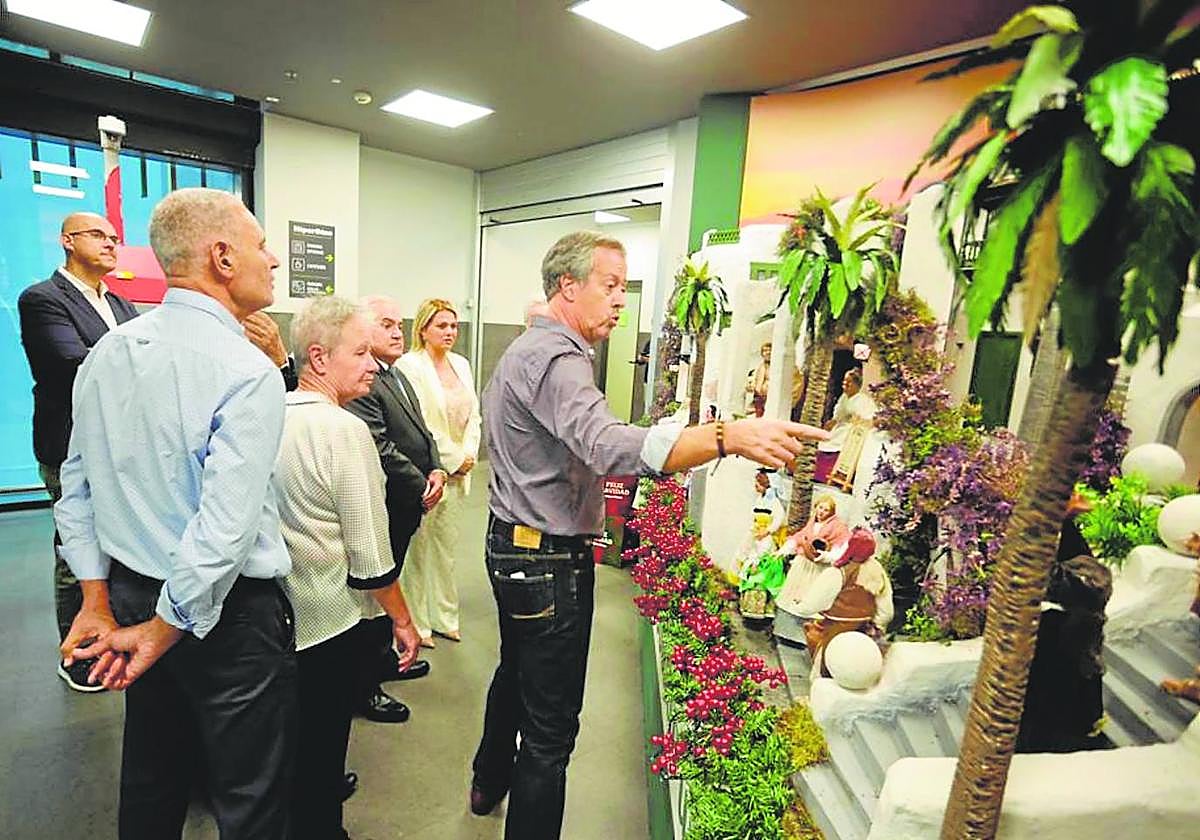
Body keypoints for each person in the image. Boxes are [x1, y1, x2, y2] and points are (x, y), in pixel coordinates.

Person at [469, 230, 828, 839]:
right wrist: (726, 437)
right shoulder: (559, 360)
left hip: (512, 545)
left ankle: (487, 780)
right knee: (551, 734)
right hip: (548, 563)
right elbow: (608, 447)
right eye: (609, 285)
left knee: (516, 670)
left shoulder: (528, 351)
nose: (618, 300)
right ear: (567, 286)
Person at [55, 188, 296, 838]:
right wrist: (166, 630)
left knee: (153, 776)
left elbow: (76, 485)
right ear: (222, 257)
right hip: (228, 618)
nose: (272, 260)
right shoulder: (247, 371)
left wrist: (96, 599)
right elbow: (223, 533)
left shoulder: (108, 352)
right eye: (260, 245)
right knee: (250, 797)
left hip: (132, 595)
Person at [275, 295, 421, 839]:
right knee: (322, 743)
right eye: (359, 352)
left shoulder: (269, 415)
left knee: (288, 742)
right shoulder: (344, 431)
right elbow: (368, 550)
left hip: (278, 617)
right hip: (329, 616)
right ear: (318, 357)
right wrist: (402, 619)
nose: (373, 364)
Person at [17, 211, 139, 692]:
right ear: (68, 240)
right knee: (76, 550)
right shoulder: (43, 299)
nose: (111, 244)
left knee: (115, 546)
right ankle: (78, 653)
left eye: (114, 238)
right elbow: (71, 364)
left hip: (118, 443)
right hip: (68, 443)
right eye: (98, 235)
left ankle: (113, 632)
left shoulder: (122, 305)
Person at [345, 295, 443, 722]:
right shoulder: (365, 384)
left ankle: (387, 658)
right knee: (375, 591)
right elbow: (380, 445)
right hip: (386, 503)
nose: (397, 331)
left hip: (407, 502)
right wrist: (422, 482)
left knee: (393, 581)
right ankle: (365, 688)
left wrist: (436, 465)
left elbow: (422, 431)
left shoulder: (397, 375)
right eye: (386, 325)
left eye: (399, 324)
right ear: (363, 332)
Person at [397, 298, 481, 646]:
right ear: (423, 329)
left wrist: (470, 454)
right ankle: (418, 622)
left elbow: (473, 414)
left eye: (453, 326)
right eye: (442, 326)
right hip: (428, 470)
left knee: (446, 549)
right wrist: (451, 460)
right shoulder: (410, 366)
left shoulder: (461, 364)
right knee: (419, 550)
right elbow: (424, 424)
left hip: (460, 469)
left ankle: (445, 617)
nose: (449, 332)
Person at [814, 367, 875, 483]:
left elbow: (866, 418)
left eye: (849, 382)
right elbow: (838, 416)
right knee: (825, 441)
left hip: (852, 432)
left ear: (857, 384)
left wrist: (855, 422)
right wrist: (832, 422)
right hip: (840, 428)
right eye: (844, 381)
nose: (845, 384)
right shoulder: (844, 398)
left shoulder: (862, 399)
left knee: (837, 441)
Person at [745, 341, 772, 417]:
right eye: (765, 351)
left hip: (769, 398)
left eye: (770, 350)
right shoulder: (760, 367)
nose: (767, 353)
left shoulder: (776, 368)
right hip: (759, 397)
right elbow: (755, 381)